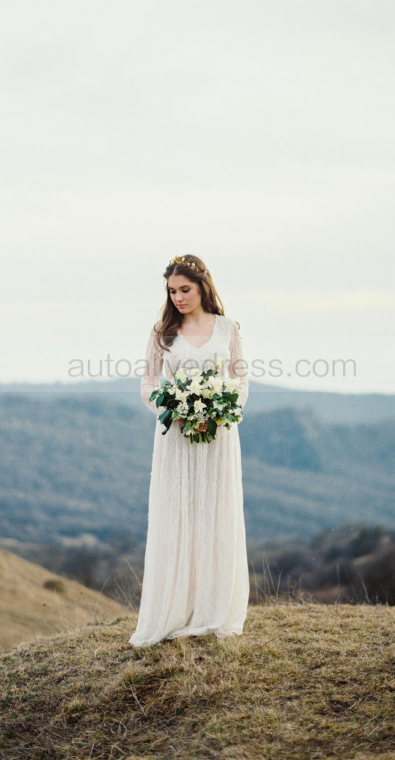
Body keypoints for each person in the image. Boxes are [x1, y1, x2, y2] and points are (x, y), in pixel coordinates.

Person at [129, 254, 250, 646]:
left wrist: (218, 411)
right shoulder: (162, 332)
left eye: (185, 289)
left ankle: (214, 610)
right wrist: (176, 407)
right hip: (176, 436)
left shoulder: (228, 328)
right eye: (172, 291)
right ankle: (174, 609)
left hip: (218, 436)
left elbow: (240, 382)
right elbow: (148, 385)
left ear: (202, 287)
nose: (178, 297)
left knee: (215, 513)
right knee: (178, 513)